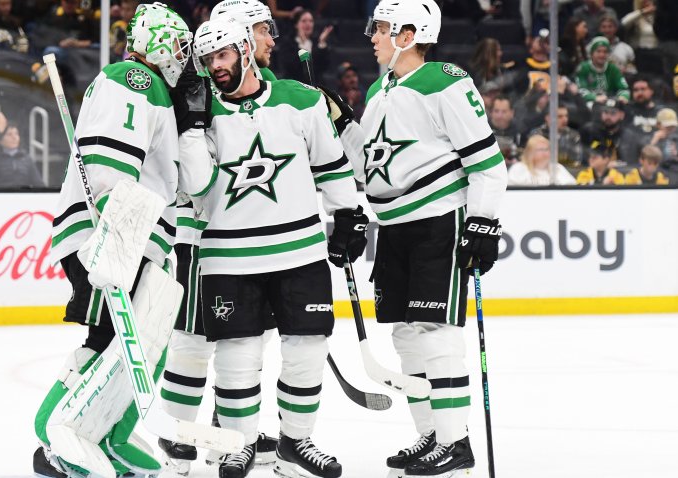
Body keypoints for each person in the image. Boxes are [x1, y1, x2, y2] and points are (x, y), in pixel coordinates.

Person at [187, 17, 364, 478]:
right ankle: (239, 445)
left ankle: (295, 443)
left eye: (222, 55)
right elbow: (193, 186)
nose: (214, 67)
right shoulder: (199, 114)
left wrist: (348, 214)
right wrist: (190, 128)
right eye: (207, 60)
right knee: (237, 355)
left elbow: (332, 166)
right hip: (227, 256)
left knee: (307, 347)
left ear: (246, 50)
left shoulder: (300, 100)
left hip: (299, 252)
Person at [31, 4, 202, 478]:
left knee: (137, 345)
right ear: (162, 45)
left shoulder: (153, 92)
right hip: (108, 234)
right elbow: (111, 164)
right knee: (110, 340)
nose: (185, 59)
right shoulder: (135, 80)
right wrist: (117, 232)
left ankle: (110, 435)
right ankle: (58, 434)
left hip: (133, 235)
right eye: (181, 48)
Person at [354, 1, 506, 476]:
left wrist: (482, 222)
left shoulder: (445, 80)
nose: (372, 36)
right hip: (393, 226)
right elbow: (367, 166)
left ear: (409, 33)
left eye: (380, 28)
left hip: (438, 220)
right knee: (405, 334)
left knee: (436, 333)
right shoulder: (382, 88)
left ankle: (455, 442)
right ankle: (431, 436)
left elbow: (487, 161)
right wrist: (341, 126)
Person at [157, 1, 283, 474]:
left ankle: (228, 431)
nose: (271, 39)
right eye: (263, 29)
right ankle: (175, 437)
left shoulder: (259, 88)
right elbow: (196, 175)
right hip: (202, 238)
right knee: (192, 341)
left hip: (250, 240)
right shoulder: (199, 89)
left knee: (247, 343)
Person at [0, 123, 45, 188]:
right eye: (9, 134)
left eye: (16, 134)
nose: (14, 137)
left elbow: (38, 184)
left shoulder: (26, 158)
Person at [580, 100, 642, 166]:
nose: (608, 117)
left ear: (621, 115)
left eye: (613, 113)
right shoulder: (589, 131)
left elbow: (631, 163)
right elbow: (584, 158)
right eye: (605, 112)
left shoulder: (629, 137)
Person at [277, 9, 331, 83]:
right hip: (295, 85)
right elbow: (290, 67)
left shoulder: (317, 42)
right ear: (296, 24)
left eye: (311, 21)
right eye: (304, 21)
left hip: (316, 86)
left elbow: (323, 67)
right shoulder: (288, 43)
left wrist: (322, 43)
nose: (308, 24)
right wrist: (304, 46)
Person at [575, 36, 630, 107]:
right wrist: (594, 97)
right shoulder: (583, 67)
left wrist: (623, 97)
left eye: (605, 52)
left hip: (610, 103)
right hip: (589, 103)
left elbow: (623, 88)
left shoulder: (613, 68)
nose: (602, 55)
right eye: (598, 51)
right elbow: (580, 89)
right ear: (591, 53)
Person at [507, 134, 577, 185]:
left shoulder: (557, 168)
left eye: (548, 149)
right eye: (542, 149)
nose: (546, 152)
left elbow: (571, 186)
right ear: (530, 152)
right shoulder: (519, 168)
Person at [489, 96, 523, 164]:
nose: (500, 116)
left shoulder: (521, 130)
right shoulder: (484, 129)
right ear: (491, 112)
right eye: (496, 111)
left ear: (512, 113)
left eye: (504, 111)